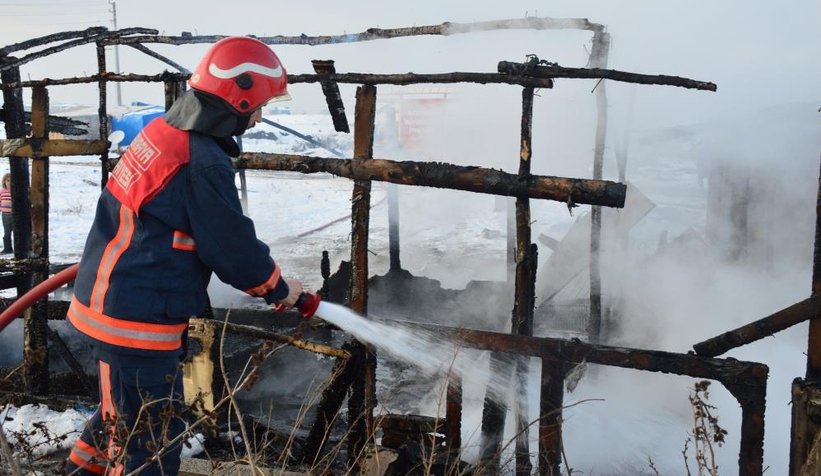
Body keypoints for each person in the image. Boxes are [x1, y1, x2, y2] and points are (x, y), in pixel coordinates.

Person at [65, 36, 304, 476]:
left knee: (121, 415)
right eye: (261, 104)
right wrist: (280, 288)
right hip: (137, 317)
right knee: (150, 444)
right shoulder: (201, 161)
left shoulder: (163, 133)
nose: (261, 114)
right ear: (240, 97)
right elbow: (231, 249)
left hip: (113, 303)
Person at [0, 173, 12, 254]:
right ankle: (7, 249)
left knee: (18, 232)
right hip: (5, 215)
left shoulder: (16, 191)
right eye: (8, 181)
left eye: (11, 181)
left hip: (15, 215)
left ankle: (21, 248)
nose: (9, 183)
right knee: (7, 233)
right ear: (4, 182)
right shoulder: (2, 192)